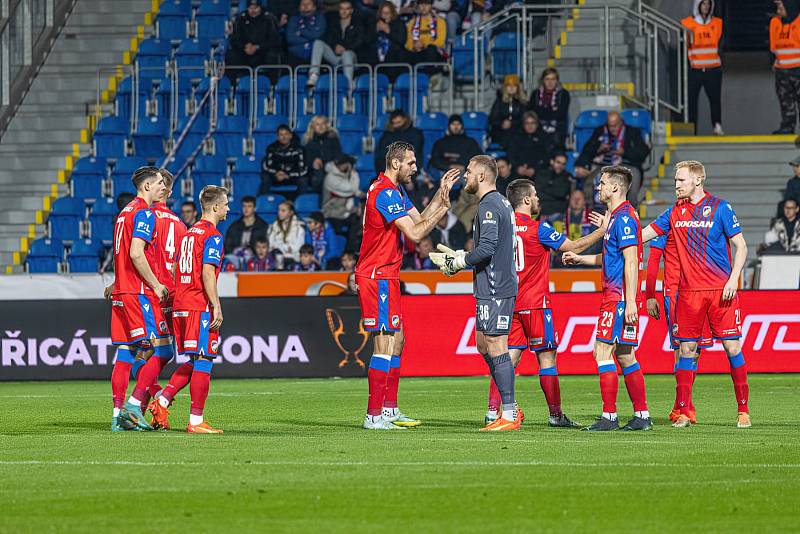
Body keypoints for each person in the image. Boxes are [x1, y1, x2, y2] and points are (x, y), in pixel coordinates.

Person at [483, 178, 608, 427]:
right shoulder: (538, 228)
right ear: (527, 200)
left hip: (509, 304)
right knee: (547, 359)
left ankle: (492, 411)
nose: (539, 199)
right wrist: (603, 230)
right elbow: (572, 246)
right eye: (536, 195)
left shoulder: (499, 229)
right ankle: (555, 415)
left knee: (505, 360)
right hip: (536, 304)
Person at [356, 141, 459, 430]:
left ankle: (389, 409)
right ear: (396, 163)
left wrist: (441, 195)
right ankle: (373, 416)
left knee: (398, 341)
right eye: (411, 163)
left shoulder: (395, 191)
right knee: (384, 342)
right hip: (377, 275)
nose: (415, 168)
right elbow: (416, 233)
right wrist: (443, 210)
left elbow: (420, 218)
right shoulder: (385, 193)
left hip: (388, 275)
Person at [641, 160, 750, 428]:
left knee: (732, 347)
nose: (676, 184)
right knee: (686, 350)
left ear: (697, 180)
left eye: (681, 180)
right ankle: (684, 412)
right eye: (676, 180)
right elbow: (644, 236)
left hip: (720, 292)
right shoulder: (673, 213)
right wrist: (615, 229)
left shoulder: (721, 208)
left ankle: (743, 411)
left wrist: (733, 279)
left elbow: (742, 246)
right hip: (688, 295)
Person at [429, 155, 520, 431]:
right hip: (488, 287)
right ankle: (510, 405)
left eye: (468, 172)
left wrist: (459, 261)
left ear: (482, 176)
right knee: (484, 344)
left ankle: (509, 412)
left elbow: (488, 248)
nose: (465, 176)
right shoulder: (498, 202)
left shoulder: (490, 204)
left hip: (496, 287)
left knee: (496, 346)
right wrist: (463, 255)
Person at [561, 165, 652, 432]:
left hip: (619, 298)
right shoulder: (618, 217)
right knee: (624, 355)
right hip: (623, 297)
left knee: (601, 351)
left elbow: (631, 260)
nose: (597, 187)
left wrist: (632, 301)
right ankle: (642, 416)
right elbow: (611, 258)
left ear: (615, 187)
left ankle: (609, 417)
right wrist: (581, 259)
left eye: (601, 183)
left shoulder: (623, 218)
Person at [149, 186, 230, 434]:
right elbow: (207, 272)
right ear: (215, 207)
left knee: (196, 360)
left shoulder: (188, 233)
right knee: (205, 361)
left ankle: (161, 402)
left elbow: (175, 269)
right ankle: (196, 421)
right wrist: (216, 305)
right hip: (198, 306)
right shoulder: (212, 236)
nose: (228, 208)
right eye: (225, 204)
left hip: (181, 305)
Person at [104, 167, 169, 432]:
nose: (162, 187)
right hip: (139, 292)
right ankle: (133, 406)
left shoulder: (124, 213)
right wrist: (156, 284)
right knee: (163, 349)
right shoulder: (144, 212)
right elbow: (135, 253)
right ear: (146, 187)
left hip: (122, 291)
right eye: (159, 183)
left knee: (126, 352)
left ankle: (117, 416)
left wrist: (116, 283)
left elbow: (121, 254)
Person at [134, 168, 187, 428]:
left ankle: (142, 405)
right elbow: (181, 267)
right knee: (167, 353)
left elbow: (135, 254)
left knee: (143, 355)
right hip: (173, 296)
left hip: (148, 293)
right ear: (170, 190)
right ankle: (151, 403)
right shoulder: (180, 225)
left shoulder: (144, 216)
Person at [645, 226, 713, 425]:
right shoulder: (666, 222)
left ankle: (680, 405)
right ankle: (684, 407)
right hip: (676, 294)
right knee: (681, 349)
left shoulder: (700, 223)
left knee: (696, 350)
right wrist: (649, 295)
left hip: (702, 291)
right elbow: (653, 260)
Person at [574, 111, 650, 206]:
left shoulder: (632, 132)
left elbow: (643, 153)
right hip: (603, 166)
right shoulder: (600, 131)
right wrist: (598, 148)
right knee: (590, 181)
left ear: (621, 122)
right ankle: (591, 210)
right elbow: (587, 150)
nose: (612, 129)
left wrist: (624, 152)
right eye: (610, 126)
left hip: (626, 165)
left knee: (633, 178)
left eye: (615, 126)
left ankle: (631, 209)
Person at [680, 0, 724, 135]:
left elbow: (719, 42)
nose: (706, 7)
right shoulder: (687, 23)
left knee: (715, 100)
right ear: (698, 5)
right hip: (695, 68)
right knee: (692, 101)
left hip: (713, 68)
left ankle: (717, 125)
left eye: (708, 4)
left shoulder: (717, 23)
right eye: (703, 4)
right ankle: (692, 129)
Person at [307, 0, 365, 90]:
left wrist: (345, 48)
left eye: (347, 9)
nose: (344, 11)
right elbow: (328, 38)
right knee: (318, 43)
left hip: (351, 57)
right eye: (341, 8)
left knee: (347, 54)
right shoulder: (333, 22)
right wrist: (335, 46)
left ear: (351, 10)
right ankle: (314, 75)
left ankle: (348, 83)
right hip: (336, 56)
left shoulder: (357, 24)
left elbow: (360, 41)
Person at [225, 0, 283, 85]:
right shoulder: (241, 18)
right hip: (245, 52)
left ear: (260, 7)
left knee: (273, 56)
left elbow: (275, 41)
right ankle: (232, 87)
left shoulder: (269, 18)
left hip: (263, 52)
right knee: (230, 56)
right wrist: (245, 46)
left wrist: (257, 47)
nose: (253, 11)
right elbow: (235, 40)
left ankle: (273, 86)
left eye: (255, 8)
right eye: (250, 8)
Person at [770, 0, 800, 134]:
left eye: (780, 7)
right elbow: (774, 48)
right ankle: (788, 126)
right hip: (782, 71)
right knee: (785, 101)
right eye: (777, 7)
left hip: (798, 70)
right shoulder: (774, 23)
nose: (778, 11)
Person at [363, 1, 408, 80]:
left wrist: (388, 31)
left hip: (393, 59)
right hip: (375, 59)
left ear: (392, 13)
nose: (385, 16)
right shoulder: (373, 24)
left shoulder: (399, 24)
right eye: (383, 13)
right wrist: (375, 31)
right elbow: (366, 41)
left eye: (388, 13)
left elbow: (402, 41)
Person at [260, 124, 308, 197]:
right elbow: (267, 166)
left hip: (292, 177)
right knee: (265, 177)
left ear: (290, 136)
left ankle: (301, 204)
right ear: (278, 137)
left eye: (286, 134)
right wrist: (277, 173)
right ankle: (265, 203)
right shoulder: (271, 148)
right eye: (281, 135)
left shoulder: (299, 149)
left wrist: (288, 175)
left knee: (303, 180)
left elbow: (303, 169)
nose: (284, 137)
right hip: (276, 176)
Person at [506, 111, 555, 180]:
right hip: (518, 173)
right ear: (523, 125)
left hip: (539, 173)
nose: (530, 126)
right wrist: (517, 168)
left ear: (537, 124)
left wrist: (535, 169)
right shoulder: (516, 138)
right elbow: (511, 155)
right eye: (527, 123)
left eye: (533, 123)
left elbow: (547, 157)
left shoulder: (544, 138)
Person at [528, 68, 571, 146]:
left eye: (553, 79)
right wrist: (551, 110)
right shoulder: (535, 94)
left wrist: (542, 110)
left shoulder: (564, 94)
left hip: (557, 128)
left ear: (557, 80)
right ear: (543, 80)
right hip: (538, 127)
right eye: (547, 79)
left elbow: (561, 113)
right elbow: (532, 112)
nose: (550, 82)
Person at [223, 196, 269, 263]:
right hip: (236, 258)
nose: (246, 209)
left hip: (255, 258)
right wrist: (236, 251)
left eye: (249, 206)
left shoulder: (262, 226)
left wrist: (251, 251)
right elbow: (227, 246)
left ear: (255, 208)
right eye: (244, 206)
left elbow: (265, 246)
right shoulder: (234, 226)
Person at [304, 115, 343, 191]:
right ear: (313, 127)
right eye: (317, 124)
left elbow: (338, 155)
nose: (321, 127)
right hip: (315, 171)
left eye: (323, 124)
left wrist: (325, 161)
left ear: (327, 125)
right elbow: (306, 159)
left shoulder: (333, 139)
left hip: (331, 168)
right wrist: (313, 161)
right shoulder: (309, 141)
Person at [488, 74, 528, 148]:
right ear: (505, 87)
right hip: (501, 132)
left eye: (514, 85)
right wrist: (501, 124)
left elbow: (525, 119)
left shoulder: (523, 103)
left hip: (518, 132)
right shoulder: (499, 101)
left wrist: (512, 123)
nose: (512, 88)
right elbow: (493, 119)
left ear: (518, 87)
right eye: (509, 85)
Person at [404, 0, 447, 67]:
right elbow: (408, 42)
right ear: (418, 5)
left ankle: (430, 75)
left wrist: (424, 44)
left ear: (431, 5)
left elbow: (440, 42)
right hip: (416, 52)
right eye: (421, 4)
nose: (424, 7)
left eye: (427, 4)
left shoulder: (440, 21)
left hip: (433, 53)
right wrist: (414, 46)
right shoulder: (412, 23)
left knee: (431, 49)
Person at [322, 154, 361, 224]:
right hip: (332, 212)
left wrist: (361, 194)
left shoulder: (342, 173)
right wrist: (354, 173)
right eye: (348, 164)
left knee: (361, 217)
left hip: (343, 210)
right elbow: (352, 189)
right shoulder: (331, 178)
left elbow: (352, 190)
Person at [534, 152, 573, 221]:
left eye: (563, 164)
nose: (560, 166)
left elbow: (561, 193)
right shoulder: (542, 174)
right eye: (558, 162)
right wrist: (556, 195)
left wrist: (546, 189)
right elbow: (538, 193)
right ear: (552, 161)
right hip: (542, 211)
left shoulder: (567, 177)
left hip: (558, 213)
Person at [286, 0, 327, 65]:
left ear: (314, 7)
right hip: (296, 53)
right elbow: (290, 38)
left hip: (315, 54)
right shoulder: (293, 19)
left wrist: (300, 31)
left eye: (308, 4)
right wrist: (310, 40)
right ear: (299, 7)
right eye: (303, 4)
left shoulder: (320, 18)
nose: (305, 6)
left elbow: (317, 35)